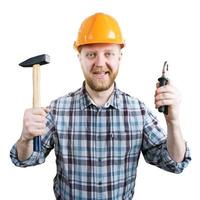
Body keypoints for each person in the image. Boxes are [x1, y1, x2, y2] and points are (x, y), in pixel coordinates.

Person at [10, 12, 191, 200]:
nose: (100, 63)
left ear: (119, 56)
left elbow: (175, 163)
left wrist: (174, 121)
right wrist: (26, 138)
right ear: (79, 57)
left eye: (108, 54)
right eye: (91, 54)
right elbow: (26, 160)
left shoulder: (139, 112)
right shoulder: (57, 110)